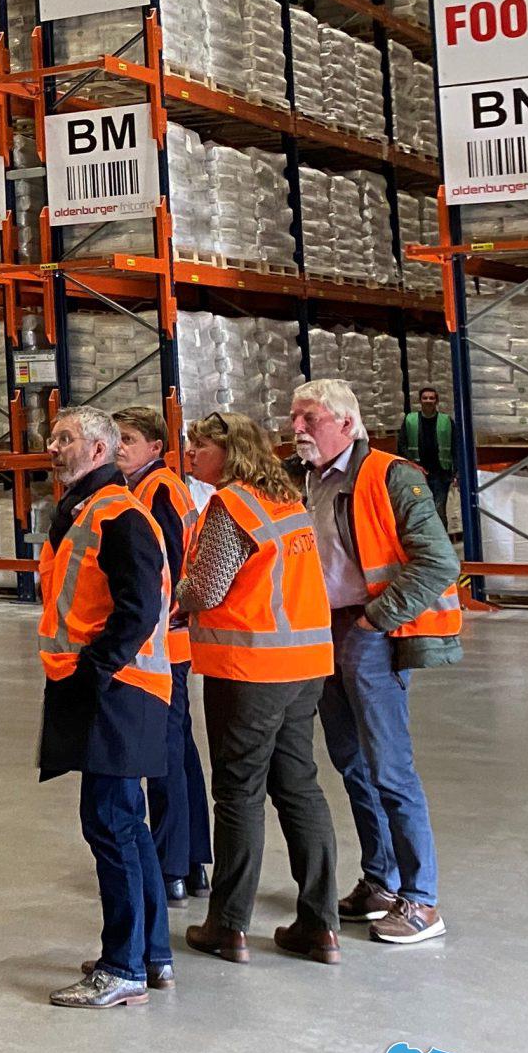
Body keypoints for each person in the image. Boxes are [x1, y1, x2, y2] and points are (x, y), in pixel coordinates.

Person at [289, 378, 463, 947]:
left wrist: (374, 620)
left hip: (370, 630)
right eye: (295, 418)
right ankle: (381, 881)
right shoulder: (308, 479)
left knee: (389, 766)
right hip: (327, 630)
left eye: (310, 418)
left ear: (346, 423)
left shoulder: (390, 476)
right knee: (351, 763)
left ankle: (422, 899)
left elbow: (438, 562)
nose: (298, 429)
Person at [180, 412, 340, 965]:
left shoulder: (233, 506)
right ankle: (321, 927)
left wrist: (172, 593)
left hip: (250, 669)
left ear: (231, 453)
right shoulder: (285, 500)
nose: (192, 455)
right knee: (298, 786)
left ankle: (228, 927)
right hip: (305, 664)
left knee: (239, 793)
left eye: (201, 446)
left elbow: (208, 587)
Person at [38, 406, 175, 1009]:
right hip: (109, 687)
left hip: (118, 689)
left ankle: (123, 968)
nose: (53, 447)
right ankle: (150, 955)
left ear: (99, 451)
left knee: (111, 825)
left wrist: (95, 669)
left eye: (66, 438)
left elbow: (139, 606)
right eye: (52, 437)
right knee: (125, 825)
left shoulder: (118, 513)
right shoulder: (85, 510)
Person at [113, 408, 210, 905]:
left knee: (165, 751)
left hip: (164, 645)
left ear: (155, 447)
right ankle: (190, 860)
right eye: (116, 438)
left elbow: (165, 569)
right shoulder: (153, 487)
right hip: (171, 641)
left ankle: (171, 862)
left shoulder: (157, 491)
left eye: (129, 439)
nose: (120, 447)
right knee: (179, 747)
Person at [396, 388, 458, 520]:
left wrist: (456, 472)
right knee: (419, 508)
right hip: (417, 473)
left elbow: (455, 447)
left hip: (441, 473)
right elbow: (402, 445)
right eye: (425, 398)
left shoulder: (446, 421)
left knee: (439, 510)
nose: (428, 401)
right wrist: (413, 464)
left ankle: (440, 533)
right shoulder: (410, 420)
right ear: (420, 401)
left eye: (431, 398)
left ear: (437, 401)